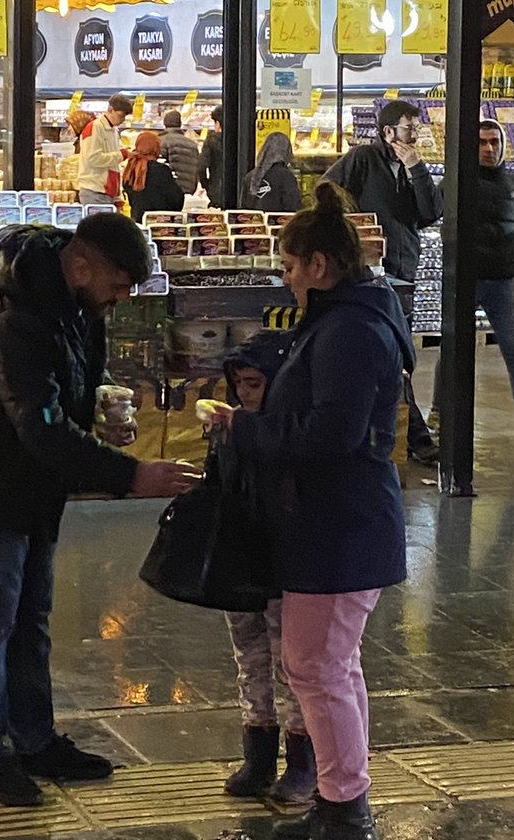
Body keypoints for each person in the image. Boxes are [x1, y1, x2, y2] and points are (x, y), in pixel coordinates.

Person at [0, 215, 198, 809]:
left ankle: (32, 740)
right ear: (82, 266)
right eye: (121, 282)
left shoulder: (77, 301)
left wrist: (101, 398)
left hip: (36, 476)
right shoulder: (15, 316)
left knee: (33, 615)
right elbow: (39, 422)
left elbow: (73, 372)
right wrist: (130, 474)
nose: (124, 295)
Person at [208, 183, 410, 840]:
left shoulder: (349, 329)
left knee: (317, 664)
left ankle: (345, 806)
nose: (288, 281)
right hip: (336, 521)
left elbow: (330, 434)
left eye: (291, 268)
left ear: (319, 265)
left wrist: (248, 429)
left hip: (340, 524)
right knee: (324, 665)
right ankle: (338, 797)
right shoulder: (347, 319)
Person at [221, 330, 316, 805]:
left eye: (254, 383)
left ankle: (302, 761)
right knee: (249, 657)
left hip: (284, 564)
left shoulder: (288, 433)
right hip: (242, 561)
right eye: (238, 383)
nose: (244, 393)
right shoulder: (233, 429)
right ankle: (257, 753)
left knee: (290, 662)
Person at [325, 100, 442, 465]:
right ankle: (416, 437)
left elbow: (430, 213)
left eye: (417, 130)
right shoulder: (363, 158)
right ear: (388, 132)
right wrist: (355, 232)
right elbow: (328, 190)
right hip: (371, 272)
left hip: (404, 270)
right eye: (410, 129)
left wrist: (417, 170)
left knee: (400, 355)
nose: (415, 136)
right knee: (391, 353)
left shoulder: (410, 169)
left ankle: (405, 432)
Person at [432, 120, 514, 448]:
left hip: (501, 281)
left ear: (503, 145)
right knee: (453, 347)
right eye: (482, 142)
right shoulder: (455, 181)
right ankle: (439, 413)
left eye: (494, 142)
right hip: (466, 278)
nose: (488, 148)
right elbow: (431, 212)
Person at [78, 93, 133, 206]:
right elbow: (93, 158)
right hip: (94, 192)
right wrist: (121, 155)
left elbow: (112, 166)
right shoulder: (94, 128)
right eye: (121, 115)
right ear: (111, 109)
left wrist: (117, 195)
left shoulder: (114, 130)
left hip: (108, 192)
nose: (123, 119)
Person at [122, 130, 185, 223]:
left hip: (138, 222)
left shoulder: (130, 169)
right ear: (156, 148)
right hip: (161, 224)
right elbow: (176, 200)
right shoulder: (161, 170)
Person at [241, 132, 303, 213]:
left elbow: (244, 208)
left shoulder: (249, 176)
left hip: (255, 224)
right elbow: (293, 206)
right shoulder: (286, 176)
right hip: (278, 224)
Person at [160, 110, 200, 195]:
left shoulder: (162, 141)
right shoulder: (192, 144)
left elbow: (161, 166)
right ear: (180, 124)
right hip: (189, 188)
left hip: (169, 189)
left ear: (165, 123)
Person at [200, 105, 224, 207]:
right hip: (238, 191)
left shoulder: (211, 140)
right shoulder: (242, 138)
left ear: (218, 123)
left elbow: (201, 167)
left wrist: (207, 185)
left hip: (216, 190)